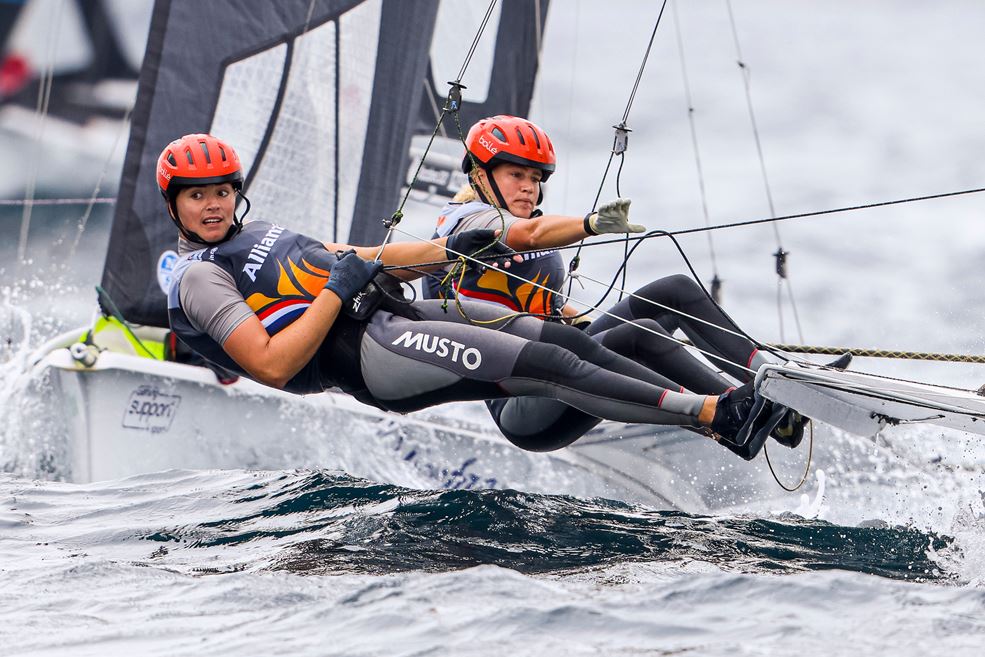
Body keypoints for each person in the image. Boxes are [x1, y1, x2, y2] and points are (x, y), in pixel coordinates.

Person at [160, 133, 784, 455]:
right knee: (549, 362)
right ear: (175, 205)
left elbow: (367, 259)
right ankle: (715, 415)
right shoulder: (198, 277)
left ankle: (739, 401)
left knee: (559, 338)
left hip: (389, 314)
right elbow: (271, 365)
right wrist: (335, 293)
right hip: (368, 355)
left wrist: (443, 254)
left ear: (238, 191)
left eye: (220, 190)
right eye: (196, 195)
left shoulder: (267, 233)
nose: (212, 205)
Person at [423, 115, 814, 458]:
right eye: (516, 175)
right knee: (636, 335)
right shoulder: (465, 222)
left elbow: (546, 308)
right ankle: (733, 416)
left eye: (535, 178)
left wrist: (584, 319)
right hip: (525, 405)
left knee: (672, 291)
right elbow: (529, 235)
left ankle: (773, 384)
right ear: (480, 174)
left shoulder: (520, 219)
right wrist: (591, 225)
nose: (528, 186)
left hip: (564, 364)